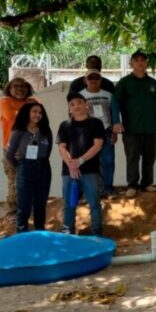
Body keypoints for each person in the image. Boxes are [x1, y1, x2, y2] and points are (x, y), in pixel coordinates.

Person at [114, 50, 156, 198]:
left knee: (149, 157)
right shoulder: (124, 83)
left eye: (143, 60)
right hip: (131, 129)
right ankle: (132, 185)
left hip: (150, 128)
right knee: (132, 157)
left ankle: (147, 183)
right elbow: (115, 102)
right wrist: (116, 121)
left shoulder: (153, 83)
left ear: (146, 63)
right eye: (136, 60)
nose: (140, 62)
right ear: (131, 64)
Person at [57, 92, 105, 235]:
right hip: (69, 171)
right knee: (69, 203)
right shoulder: (64, 125)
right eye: (72, 104)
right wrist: (71, 164)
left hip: (90, 170)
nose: (76, 106)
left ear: (86, 105)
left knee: (94, 202)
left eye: (79, 102)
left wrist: (80, 161)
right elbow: (61, 147)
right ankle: (68, 229)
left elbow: (98, 145)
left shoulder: (96, 123)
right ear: (69, 109)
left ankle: (97, 231)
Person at [5, 102, 52, 232]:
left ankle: (40, 234)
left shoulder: (46, 131)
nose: (38, 115)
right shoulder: (18, 131)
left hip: (44, 170)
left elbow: (48, 151)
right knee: (24, 207)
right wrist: (20, 167)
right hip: (25, 170)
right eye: (34, 111)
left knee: (40, 205)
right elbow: (9, 154)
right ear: (27, 113)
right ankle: (21, 236)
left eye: (40, 112)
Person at [80, 68, 122, 197]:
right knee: (89, 163)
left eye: (96, 78)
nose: (93, 80)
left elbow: (114, 113)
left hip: (106, 132)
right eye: (90, 78)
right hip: (87, 134)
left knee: (108, 162)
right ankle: (90, 192)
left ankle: (108, 188)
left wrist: (114, 132)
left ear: (101, 80)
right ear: (85, 80)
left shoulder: (109, 95)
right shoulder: (80, 96)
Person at [0, 78, 39, 215]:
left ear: (27, 88)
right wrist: (28, 111)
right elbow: (11, 116)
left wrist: (28, 112)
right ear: (10, 89)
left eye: (22, 86)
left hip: (31, 147)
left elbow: (39, 117)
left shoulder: (34, 101)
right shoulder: (5, 101)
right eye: (15, 86)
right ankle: (13, 211)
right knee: (14, 180)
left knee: (31, 178)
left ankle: (30, 210)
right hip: (11, 148)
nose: (19, 88)